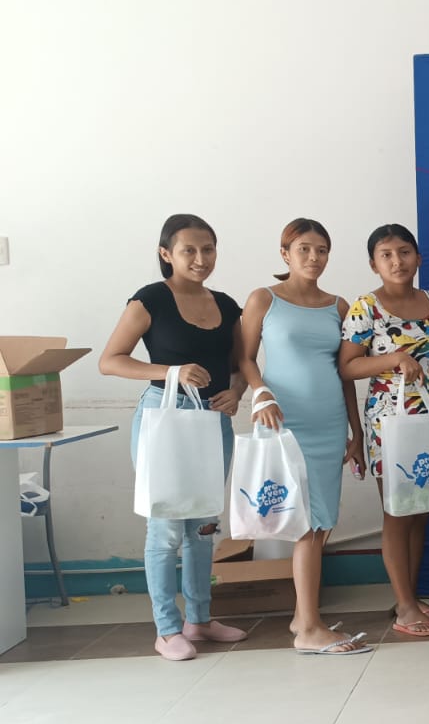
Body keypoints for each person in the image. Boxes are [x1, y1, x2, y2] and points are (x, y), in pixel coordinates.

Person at [99, 214, 248, 661]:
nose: (201, 259)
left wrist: (237, 392)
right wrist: (170, 371)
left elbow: (240, 366)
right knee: (164, 526)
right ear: (166, 254)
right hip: (163, 416)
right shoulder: (150, 300)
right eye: (189, 250)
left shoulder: (227, 305)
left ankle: (199, 620)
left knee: (203, 525)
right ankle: (166, 630)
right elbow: (111, 360)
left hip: (212, 420)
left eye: (208, 249)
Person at [240, 219, 370, 655]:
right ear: (285, 253)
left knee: (323, 521)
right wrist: (260, 393)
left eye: (322, 250)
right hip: (283, 420)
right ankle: (310, 629)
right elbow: (244, 358)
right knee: (308, 525)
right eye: (304, 249)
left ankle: (302, 615)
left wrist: (355, 431)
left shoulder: (338, 306)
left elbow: (345, 373)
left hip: (329, 423)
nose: (314, 258)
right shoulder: (264, 299)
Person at [339, 224, 429, 638]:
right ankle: (405, 608)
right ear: (374, 264)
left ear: (419, 258)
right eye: (386, 255)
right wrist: (393, 359)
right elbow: (347, 366)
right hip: (388, 424)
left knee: (421, 510)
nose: (397, 261)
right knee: (397, 511)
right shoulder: (366, 308)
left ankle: (411, 596)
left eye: (404, 252)